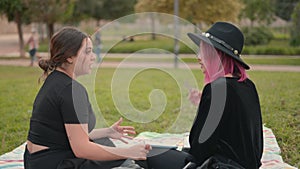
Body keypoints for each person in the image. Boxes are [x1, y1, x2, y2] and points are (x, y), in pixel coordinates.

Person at [24, 26, 151, 169]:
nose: (93, 57)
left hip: (36, 161)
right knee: (117, 155)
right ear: (70, 57)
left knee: (104, 141)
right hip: (56, 163)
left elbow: (69, 134)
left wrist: (107, 131)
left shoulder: (55, 80)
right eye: (87, 51)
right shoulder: (71, 90)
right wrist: (127, 152)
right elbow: (82, 149)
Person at [146, 22, 263, 169]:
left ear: (216, 55)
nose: (198, 57)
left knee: (148, 154)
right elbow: (236, 126)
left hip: (220, 165)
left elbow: (199, 149)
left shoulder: (217, 89)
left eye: (204, 51)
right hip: (245, 164)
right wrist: (205, 103)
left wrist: (205, 105)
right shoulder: (247, 85)